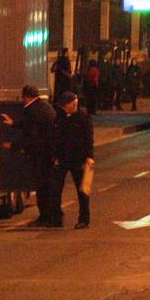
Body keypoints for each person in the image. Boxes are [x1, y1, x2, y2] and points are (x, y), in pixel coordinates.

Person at [2, 84, 59, 226]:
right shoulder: (46, 107)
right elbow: (30, 124)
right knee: (49, 187)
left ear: (26, 97)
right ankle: (52, 216)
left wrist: (14, 146)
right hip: (50, 153)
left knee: (41, 187)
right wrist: (14, 123)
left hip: (39, 155)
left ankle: (45, 217)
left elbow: (31, 135)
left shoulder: (31, 110)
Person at [52, 91, 94, 228]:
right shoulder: (60, 118)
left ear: (73, 104)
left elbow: (89, 139)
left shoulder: (83, 119)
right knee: (56, 189)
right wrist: (56, 156)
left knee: (82, 191)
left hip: (78, 159)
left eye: (66, 104)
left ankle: (84, 219)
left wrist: (89, 157)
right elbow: (57, 139)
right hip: (63, 158)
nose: (63, 107)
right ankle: (57, 217)